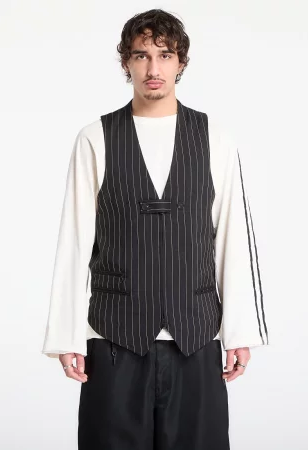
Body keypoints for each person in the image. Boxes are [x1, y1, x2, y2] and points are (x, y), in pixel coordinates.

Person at [42, 8, 269, 450]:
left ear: (181, 62)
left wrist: (240, 332)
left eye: (165, 55)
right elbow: (74, 241)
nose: (153, 68)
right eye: (141, 55)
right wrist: (66, 335)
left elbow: (234, 238)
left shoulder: (215, 139)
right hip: (113, 341)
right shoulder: (95, 138)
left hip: (196, 339)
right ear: (125, 62)